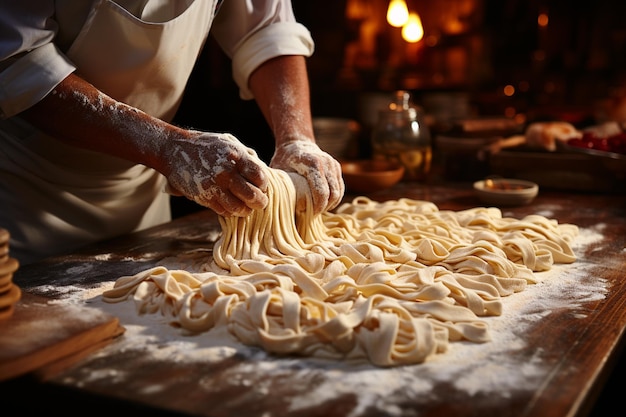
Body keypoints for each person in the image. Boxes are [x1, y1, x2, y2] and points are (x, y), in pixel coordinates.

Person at [0, 0, 345, 266]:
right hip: (29, 195)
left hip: (145, 188)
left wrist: (297, 138)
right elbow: (17, 61)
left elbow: (267, 30)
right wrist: (166, 146)